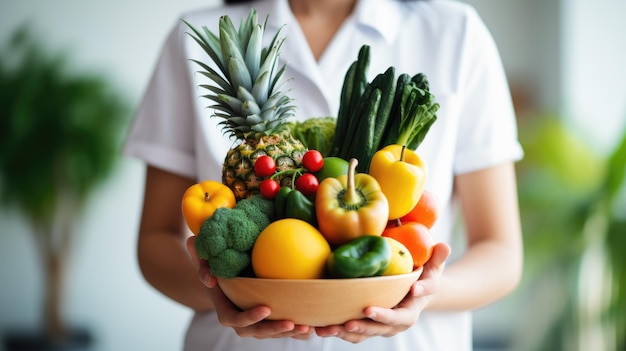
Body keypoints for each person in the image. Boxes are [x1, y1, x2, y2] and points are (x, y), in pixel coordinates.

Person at [123, 0, 524, 350]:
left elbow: (501, 253)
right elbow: (156, 241)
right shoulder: (198, 34)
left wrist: (420, 294)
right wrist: (221, 291)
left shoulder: (456, 32)